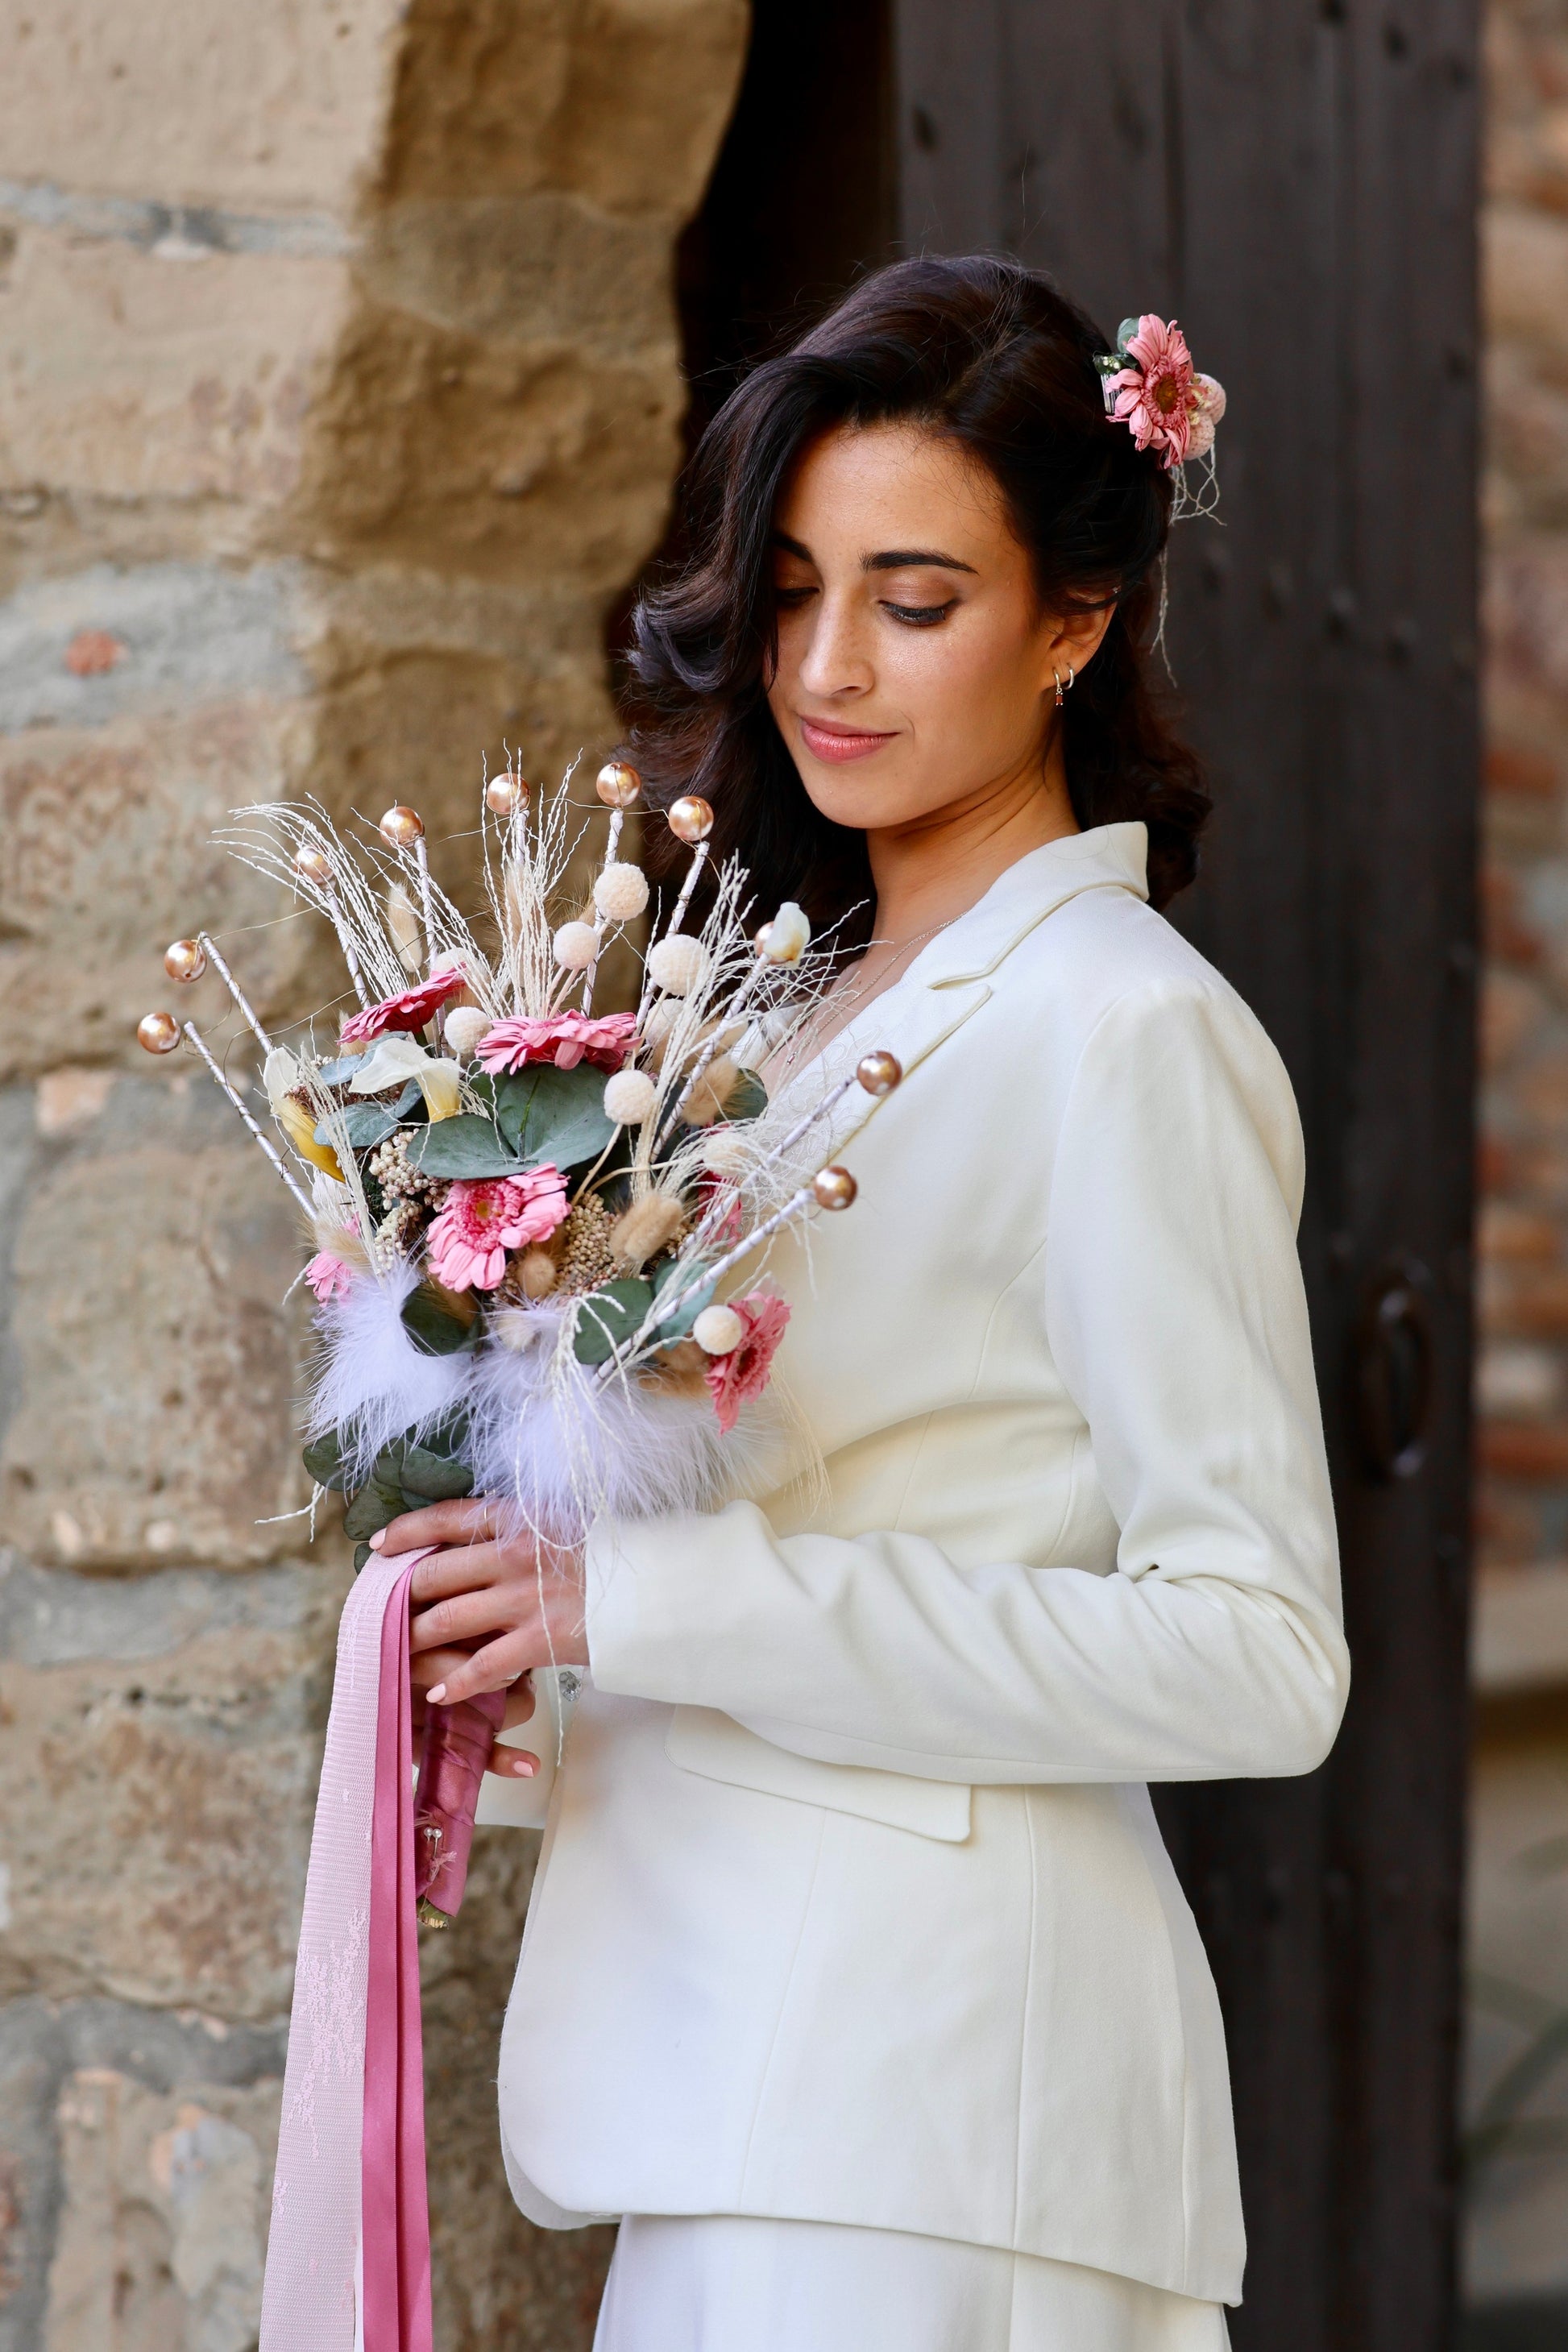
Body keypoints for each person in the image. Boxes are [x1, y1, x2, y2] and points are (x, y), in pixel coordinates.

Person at [371, 255, 1349, 2350]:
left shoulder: (1117, 1029)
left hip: (933, 2106)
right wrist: (519, 1621)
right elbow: (800, 1527)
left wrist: (643, 1602)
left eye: (914, 601)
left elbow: (1258, 1655)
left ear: (1074, 622)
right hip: (736, 2084)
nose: (827, 665)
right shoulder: (765, 1032)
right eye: (796, 588)